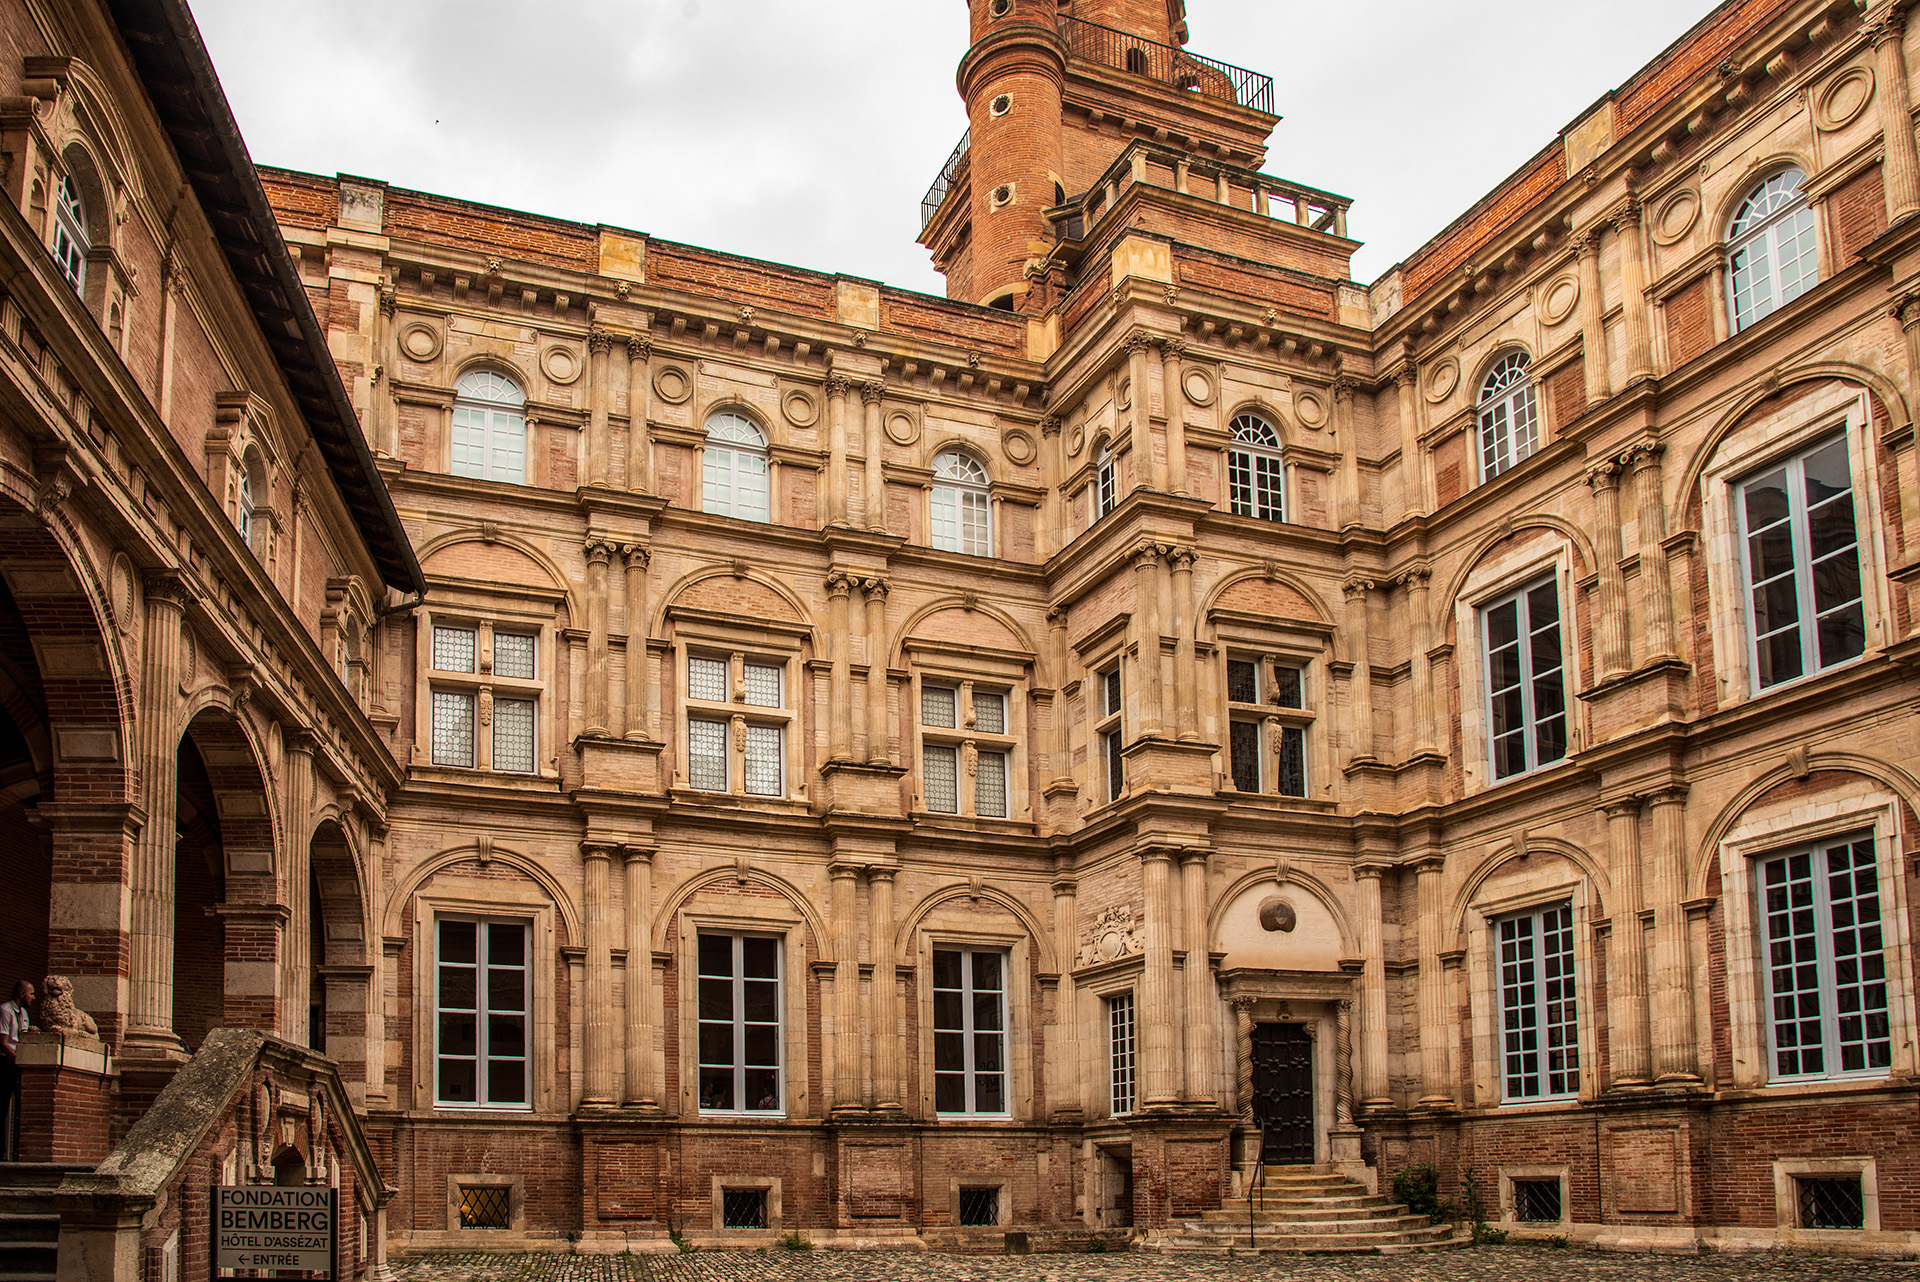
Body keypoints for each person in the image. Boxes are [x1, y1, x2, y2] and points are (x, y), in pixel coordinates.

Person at [0, 979, 32, 1162]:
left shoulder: (24, 1013)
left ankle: (18, 1152)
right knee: (3, 1107)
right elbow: (4, 1044)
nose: (33, 997)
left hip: (19, 1062)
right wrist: (18, 1061)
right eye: (31, 993)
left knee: (22, 1105)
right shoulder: (5, 1010)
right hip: (7, 1062)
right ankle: (2, 1152)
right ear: (22, 994)